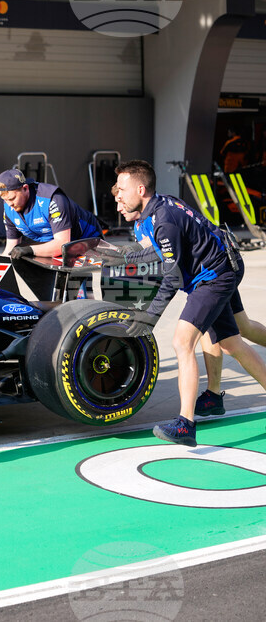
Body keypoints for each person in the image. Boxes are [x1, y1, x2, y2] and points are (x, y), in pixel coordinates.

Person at [113, 160, 266, 446]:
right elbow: (161, 253)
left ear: (141, 189)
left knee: (183, 342)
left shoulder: (163, 220)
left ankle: (185, 424)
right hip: (219, 268)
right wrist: (123, 257)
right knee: (233, 341)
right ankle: (209, 400)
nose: (118, 195)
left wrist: (150, 317)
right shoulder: (159, 207)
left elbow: (170, 277)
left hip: (214, 277)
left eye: (122, 189)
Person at [0, 168, 104, 260]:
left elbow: (62, 244)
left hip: (85, 238)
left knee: (79, 280)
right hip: (51, 243)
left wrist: (30, 249)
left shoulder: (52, 199)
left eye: (12, 198)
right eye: (5, 200)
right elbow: (10, 248)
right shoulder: (8, 207)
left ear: (25, 188)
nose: (9, 204)